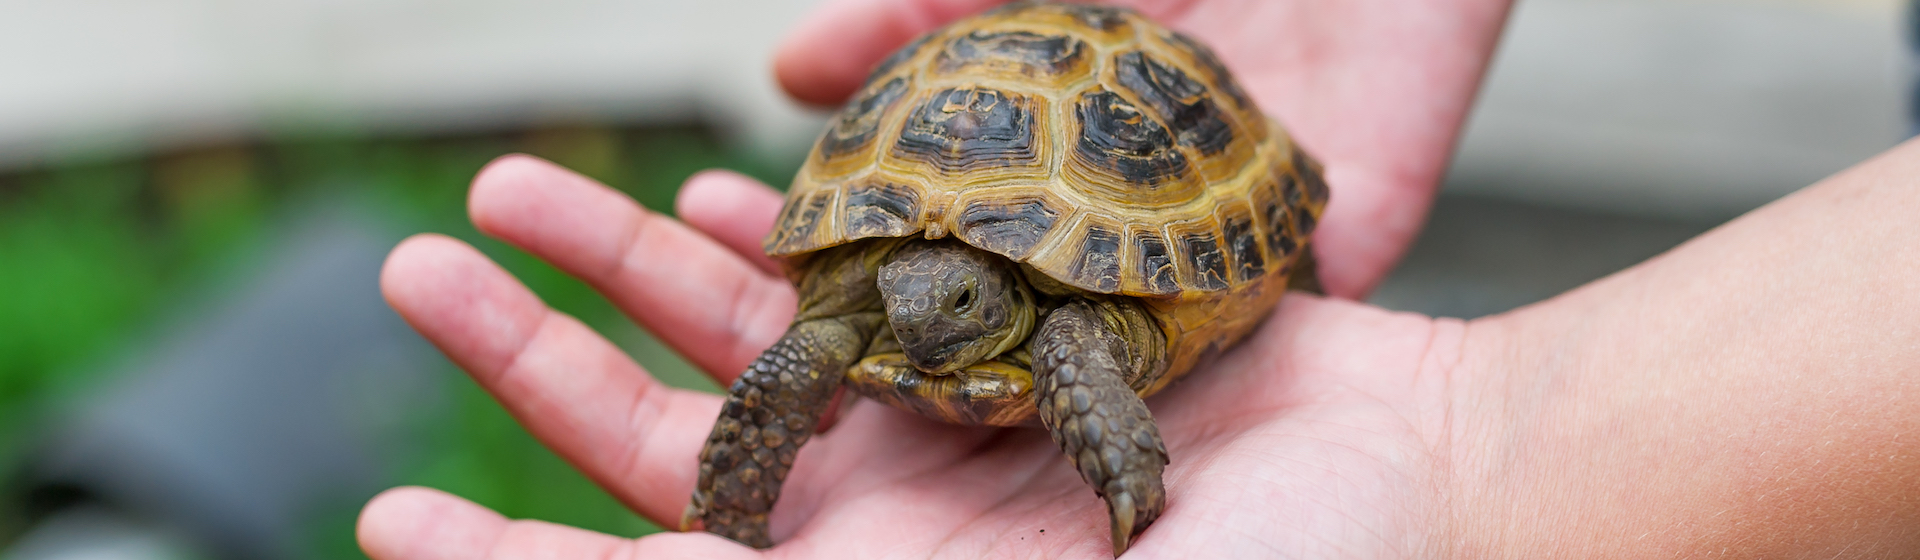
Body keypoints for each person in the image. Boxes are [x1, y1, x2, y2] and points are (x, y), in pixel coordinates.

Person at [354, 0, 1920, 557]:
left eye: (945, 304)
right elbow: (802, 354)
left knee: (1077, 370)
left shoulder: (1080, 323)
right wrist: (738, 498)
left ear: (999, 301)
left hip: (1138, 163)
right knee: (791, 360)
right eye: (897, 296)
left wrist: (1476, 473)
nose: (911, 318)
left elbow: (1078, 367)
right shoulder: (883, 293)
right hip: (944, 145)